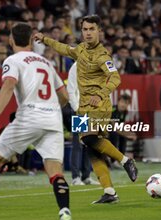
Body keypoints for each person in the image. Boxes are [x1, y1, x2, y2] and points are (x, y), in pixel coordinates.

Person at [0, 23, 73, 220]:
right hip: (52, 120)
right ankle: (65, 213)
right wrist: (51, 108)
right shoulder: (47, 62)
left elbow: (9, 85)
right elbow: (64, 96)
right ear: (30, 40)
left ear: (11, 40)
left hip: (29, 116)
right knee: (55, 170)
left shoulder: (12, 60)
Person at [34, 14, 138, 204]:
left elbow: (115, 78)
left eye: (92, 29)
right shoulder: (80, 50)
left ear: (99, 31)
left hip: (99, 105)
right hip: (82, 107)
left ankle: (125, 160)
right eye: (85, 29)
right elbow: (64, 48)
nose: (88, 33)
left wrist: (100, 93)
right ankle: (109, 191)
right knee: (90, 147)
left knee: (89, 138)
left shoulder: (102, 55)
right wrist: (45, 39)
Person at [65, 62, 99, 186]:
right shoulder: (77, 66)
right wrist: (76, 108)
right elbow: (71, 89)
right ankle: (75, 177)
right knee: (78, 144)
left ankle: (86, 176)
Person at [108, 93, 137, 169]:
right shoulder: (113, 109)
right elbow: (115, 127)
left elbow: (121, 126)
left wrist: (129, 133)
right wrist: (127, 134)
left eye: (126, 103)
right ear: (118, 102)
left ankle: (120, 160)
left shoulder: (124, 112)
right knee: (114, 134)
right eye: (122, 102)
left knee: (123, 137)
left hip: (112, 130)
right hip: (103, 130)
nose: (123, 105)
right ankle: (112, 161)